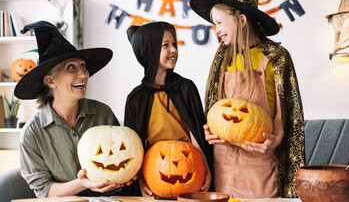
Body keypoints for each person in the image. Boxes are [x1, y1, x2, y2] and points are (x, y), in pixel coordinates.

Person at [189, 0, 304, 198]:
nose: (216, 30)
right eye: (214, 24)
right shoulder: (222, 56)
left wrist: (276, 139)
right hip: (222, 160)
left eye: (220, 23)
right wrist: (210, 131)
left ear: (241, 20)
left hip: (259, 161)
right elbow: (216, 108)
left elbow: (286, 112)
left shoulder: (276, 57)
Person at [15, 21, 136, 198]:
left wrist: (128, 175)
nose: (83, 74)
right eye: (71, 67)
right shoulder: (32, 134)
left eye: (83, 66)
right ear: (51, 81)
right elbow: (45, 191)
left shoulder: (103, 114)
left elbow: (122, 162)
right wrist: (82, 184)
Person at [124, 21, 213, 196]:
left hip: (187, 161)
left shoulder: (186, 88)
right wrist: (142, 179)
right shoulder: (136, 98)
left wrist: (205, 169)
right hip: (154, 167)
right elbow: (134, 146)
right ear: (147, 51)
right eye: (165, 45)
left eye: (174, 44)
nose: (173, 50)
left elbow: (196, 135)